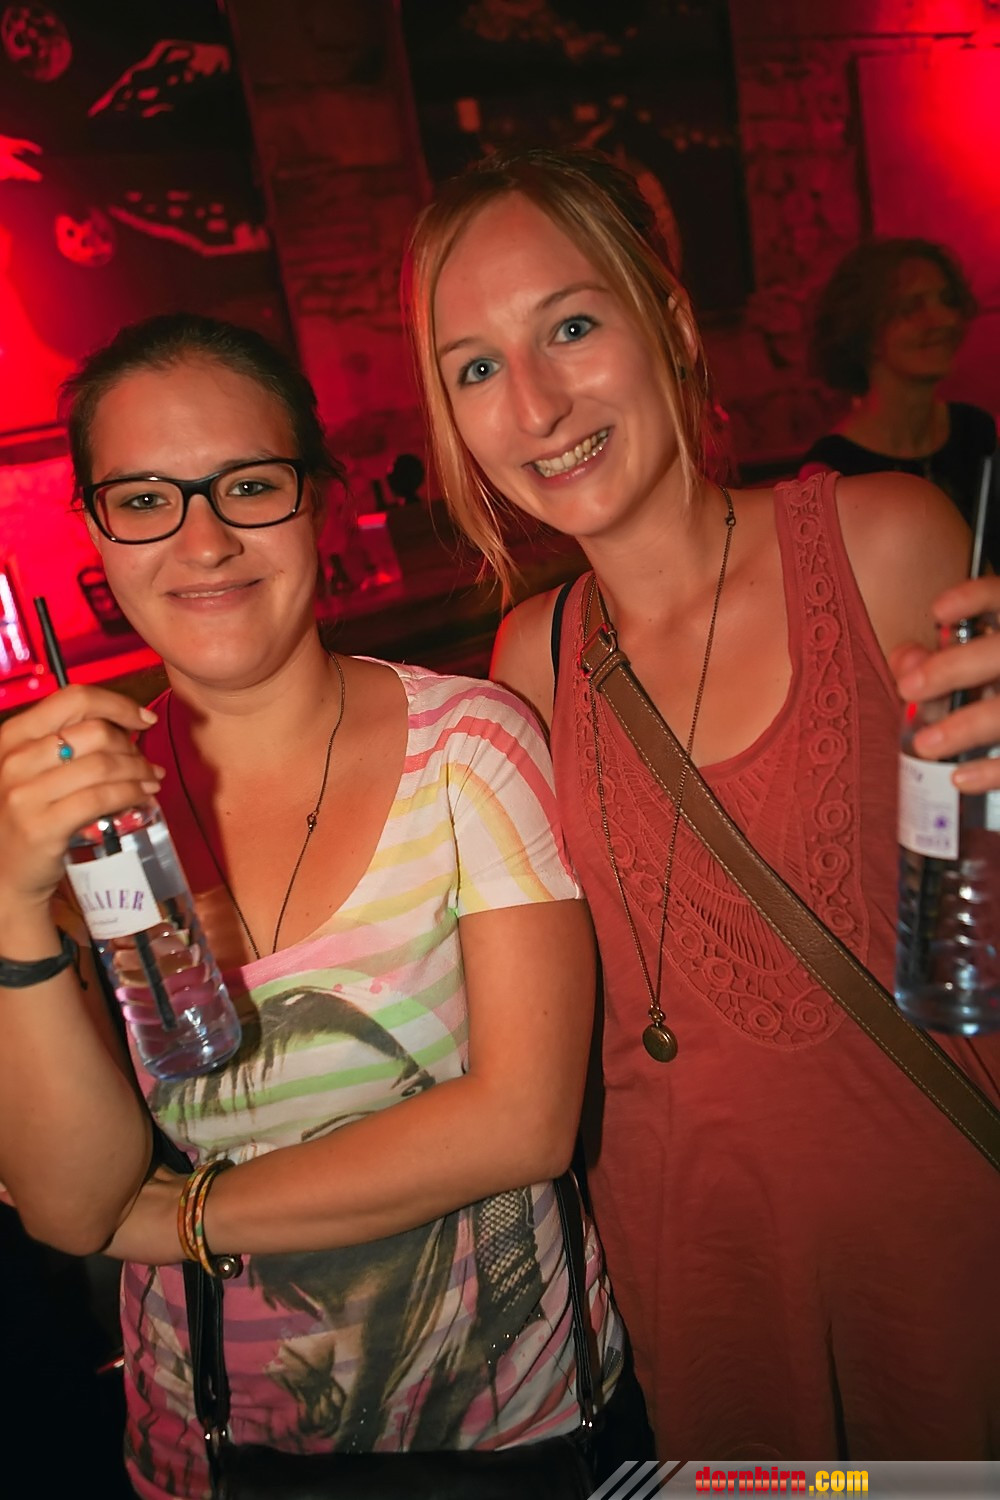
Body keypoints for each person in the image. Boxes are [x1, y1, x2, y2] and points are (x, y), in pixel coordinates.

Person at [406, 146, 1000, 1460]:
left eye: (570, 326)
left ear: (668, 323)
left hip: (946, 1275)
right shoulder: (527, 662)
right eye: (476, 368)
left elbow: (970, 927)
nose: (537, 403)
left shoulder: (882, 542)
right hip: (710, 1301)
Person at [0, 313, 650, 1500]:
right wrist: (10, 907)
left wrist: (179, 1219)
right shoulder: (73, 820)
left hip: (511, 1444)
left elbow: (522, 1123)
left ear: (321, 502)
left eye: (249, 486)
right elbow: (70, 1201)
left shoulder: (468, 744)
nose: (203, 541)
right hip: (212, 1456)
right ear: (95, 530)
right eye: (143, 500)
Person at [800, 237, 997, 563]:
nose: (944, 320)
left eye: (948, 301)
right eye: (911, 308)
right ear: (863, 332)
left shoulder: (976, 431)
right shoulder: (830, 471)